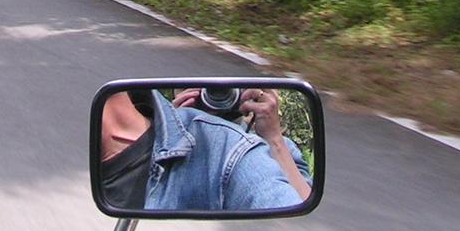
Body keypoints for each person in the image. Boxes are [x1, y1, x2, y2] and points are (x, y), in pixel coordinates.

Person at [99, 86, 311, 211]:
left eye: (228, 88)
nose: (217, 94)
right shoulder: (164, 129)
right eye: (204, 86)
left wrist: (274, 139)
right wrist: (173, 126)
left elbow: (300, 208)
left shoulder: (256, 151)